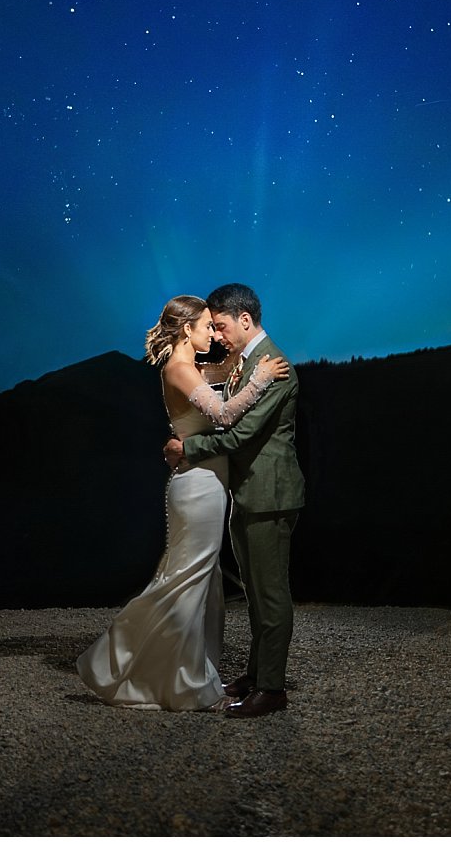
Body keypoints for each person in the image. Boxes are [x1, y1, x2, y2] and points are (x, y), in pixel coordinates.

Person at [77, 295, 289, 710]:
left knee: (204, 583)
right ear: (187, 329)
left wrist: (246, 360)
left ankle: (194, 676)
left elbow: (227, 368)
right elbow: (225, 415)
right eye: (208, 326)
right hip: (199, 485)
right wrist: (261, 378)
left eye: (216, 326)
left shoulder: (193, 367)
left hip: (206, 481)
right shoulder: (179, 369)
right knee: (186, 579)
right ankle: (120, 662)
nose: (214, 333)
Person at [163, 282, 303, 718]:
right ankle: (255, 674)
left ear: (245, 320)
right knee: (256, 593)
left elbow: (239, 432)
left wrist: (187, 450)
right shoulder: (245, 363)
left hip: (270, 494)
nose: (218, 336)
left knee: (271, 594)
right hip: (247, 493)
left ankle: (272, 690)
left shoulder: (274, 366)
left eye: (221, 326)